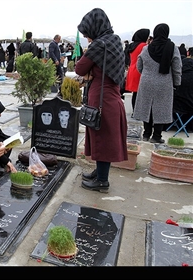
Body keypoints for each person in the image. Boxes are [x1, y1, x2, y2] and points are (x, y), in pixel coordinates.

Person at [75, 8, 128, 193]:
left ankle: (102, 181)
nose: (88, 38)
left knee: (103, 138)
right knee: (102, 136)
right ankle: (99, 172)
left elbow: (79, 68)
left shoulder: (100, 44)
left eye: (87, 34)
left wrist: (88, 61)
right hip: (111, 96)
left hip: (102, 98)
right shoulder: (114, 41)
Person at [133, 23, 182, 143]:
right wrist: (176, 82)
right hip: (164, 82)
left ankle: (146, 134)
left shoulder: (146, 48)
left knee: (146, 107)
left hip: (146, 82)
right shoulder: (172, 48)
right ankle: (156, 136)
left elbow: (139, 65)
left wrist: (147, 74)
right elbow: (177, 67)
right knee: (161, 109)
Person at [124, 28, 150, 114]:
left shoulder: (132, 45)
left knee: (135, 93)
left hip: (132, 69)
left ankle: (135, 111)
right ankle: (139, 112)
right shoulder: (143, 46)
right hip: (139, 70)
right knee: (140, 94)